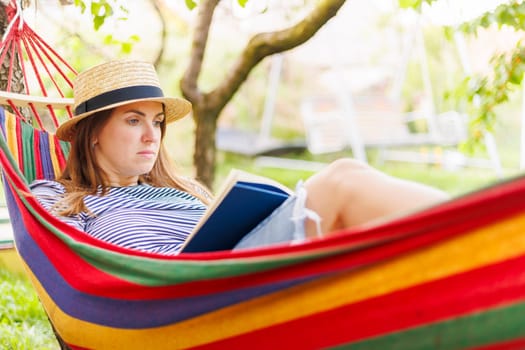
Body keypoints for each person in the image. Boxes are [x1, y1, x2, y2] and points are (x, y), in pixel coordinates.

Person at [30, 59, 449, 255]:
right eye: (134, 121)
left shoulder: (182, 191)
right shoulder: (60, 196)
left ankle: (472, 245)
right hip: (183, 293)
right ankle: (485, 227)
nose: (151, 135)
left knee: (351, 189)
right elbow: (63, 259)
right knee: (342, 178)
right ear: (92, 135)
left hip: (238, 270)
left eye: (157, 122)